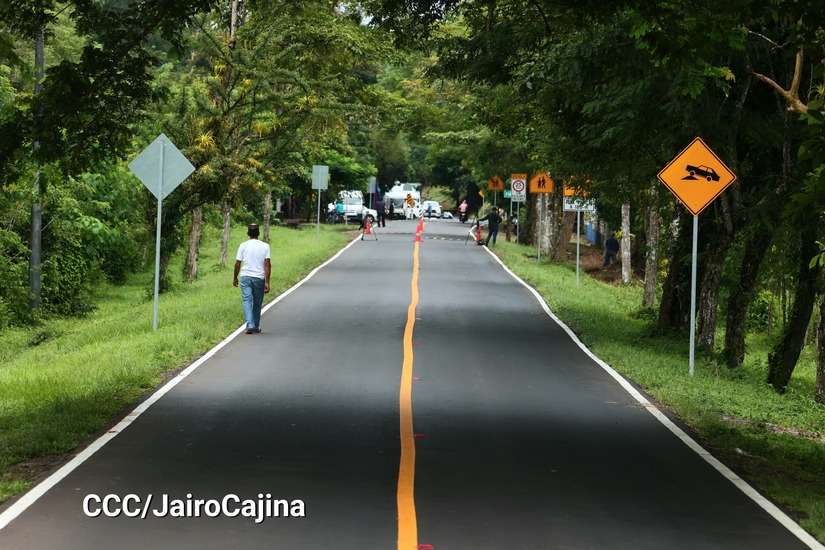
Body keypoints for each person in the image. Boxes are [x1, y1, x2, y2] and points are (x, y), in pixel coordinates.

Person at [233, 223, 271, 334]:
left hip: (245, 277)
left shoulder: (243, 245)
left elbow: (237, 264)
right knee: (257, 303)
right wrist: (267, 282)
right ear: (258, 233)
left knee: (247, 301)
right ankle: (255, 325)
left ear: (248, 233)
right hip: (259, 278)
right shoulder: (265, 246)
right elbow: (267, 264)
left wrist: (235, 277)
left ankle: (249, 325)